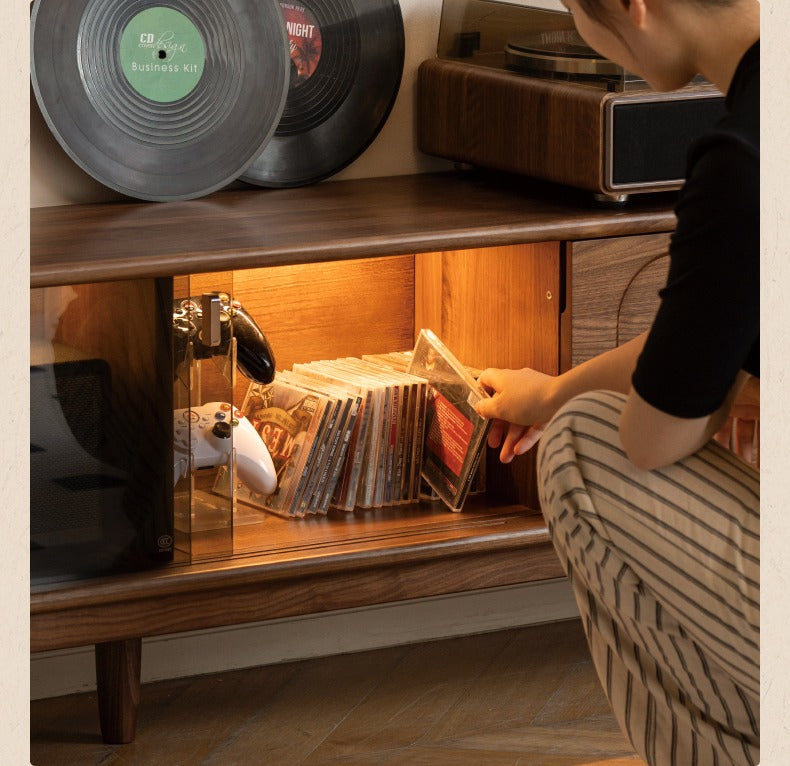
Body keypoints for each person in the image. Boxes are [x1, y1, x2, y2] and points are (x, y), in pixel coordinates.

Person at [473, 1, 759, 764]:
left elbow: (654, 436)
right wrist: (553, 388)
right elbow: (706, 331)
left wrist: (570, 409)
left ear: (633, 5)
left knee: (580, 450)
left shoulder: (742, 158)